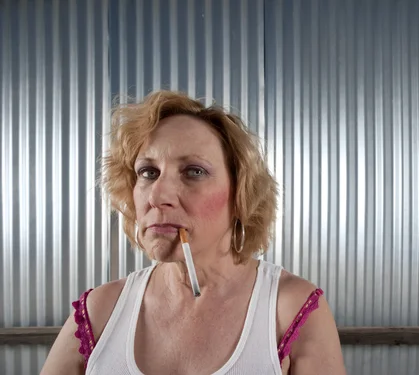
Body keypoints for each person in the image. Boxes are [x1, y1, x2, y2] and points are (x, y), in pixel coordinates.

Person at [41, 90, 346, 375]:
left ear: (241, 194)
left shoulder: (290, 309)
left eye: (194, 172)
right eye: (148, 172)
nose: (157, 196)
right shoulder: (99, 311)